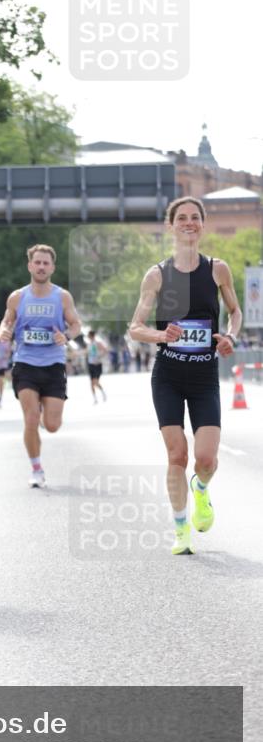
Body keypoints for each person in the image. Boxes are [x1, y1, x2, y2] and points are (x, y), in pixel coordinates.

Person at [129, 197, 241, 556]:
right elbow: (135, 327)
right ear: (171, 226)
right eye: (182, 218)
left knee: (205, 459)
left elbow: (235, 312)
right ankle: (181, 529)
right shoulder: (157, 274)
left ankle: (202, 489)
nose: (189, 223)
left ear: (202, 225)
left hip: (204, 376)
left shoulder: (218, 270)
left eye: (195, 218)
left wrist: (231, 336)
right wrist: (162, 335)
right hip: (169, 376)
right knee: (177, 454)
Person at [0, 244, 82, 488]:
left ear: (52, 268)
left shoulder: (62, 296)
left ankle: (47, 415)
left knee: (53, 425)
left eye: (46, 263)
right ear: (30, 266)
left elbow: (76, 324)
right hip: (25, 363)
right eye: (38, 262)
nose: (42, 266)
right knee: (31, 418)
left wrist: (66, 336)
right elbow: (6, 321)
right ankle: (36, 469)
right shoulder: (18, 296)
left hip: (53, 364)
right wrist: (5, 331)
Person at [0, 325, 12, 407]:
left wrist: (6, 356)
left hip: (2, 365)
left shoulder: (6, 342)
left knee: (0, 381)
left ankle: (0, 398)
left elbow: (8, 352)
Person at [86, 329, 108, 404]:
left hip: (97, 364)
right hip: (91, 364)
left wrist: (99, 356)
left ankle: (103, 393)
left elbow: (105, 350)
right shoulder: (89, 344)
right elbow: (87, 352)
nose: (88, 337)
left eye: (89, 336)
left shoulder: (97, 343)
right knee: (91, 383)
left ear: (92, 336)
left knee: (95, 382)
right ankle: (95, 398)